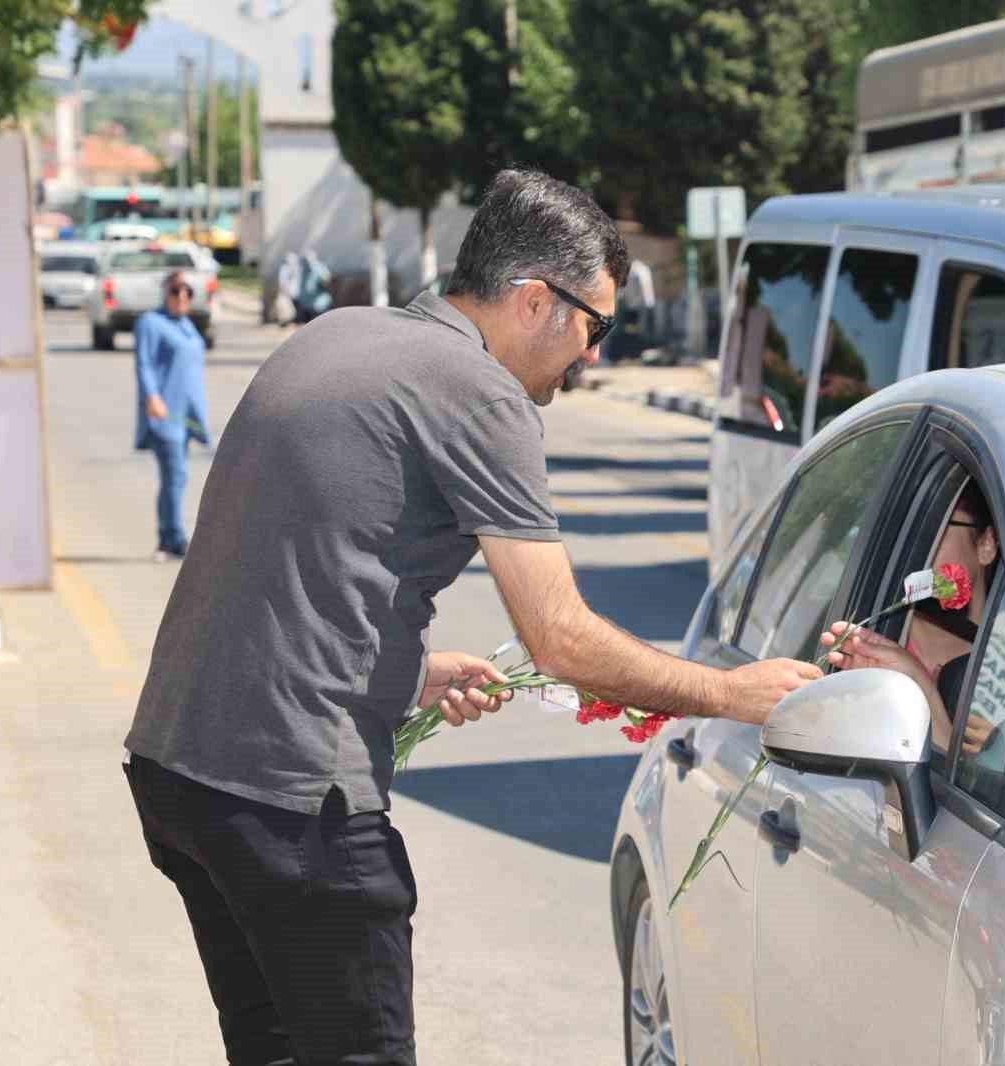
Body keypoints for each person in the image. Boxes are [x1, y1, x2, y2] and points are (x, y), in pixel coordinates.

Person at [122, 169, 820, 1066]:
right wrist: (731, 693)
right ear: (535, 301)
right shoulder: (480, 392)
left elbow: (283, 567)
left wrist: (407, 675)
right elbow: (560, 637)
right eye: (595, 328)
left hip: (182, 773)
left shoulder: (336, 334)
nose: (593, 357)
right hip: (294, 805)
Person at [820, 479, 1001, 756]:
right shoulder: (875, 643)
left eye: (937, 529)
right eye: (914, 534)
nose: (922, 548)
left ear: (986, 544)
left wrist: (1000, 755)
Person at [134, 270, 210, 560]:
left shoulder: (188, 326)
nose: (181, 297)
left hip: (187, 416)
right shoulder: (151, 324)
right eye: (175, 291)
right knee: (175, 476)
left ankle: (170, 538)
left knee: (177, 478)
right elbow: (144, 364)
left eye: (187, 292)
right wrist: (152, 397)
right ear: (165, 292)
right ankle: (172, 539)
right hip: (164, 416)